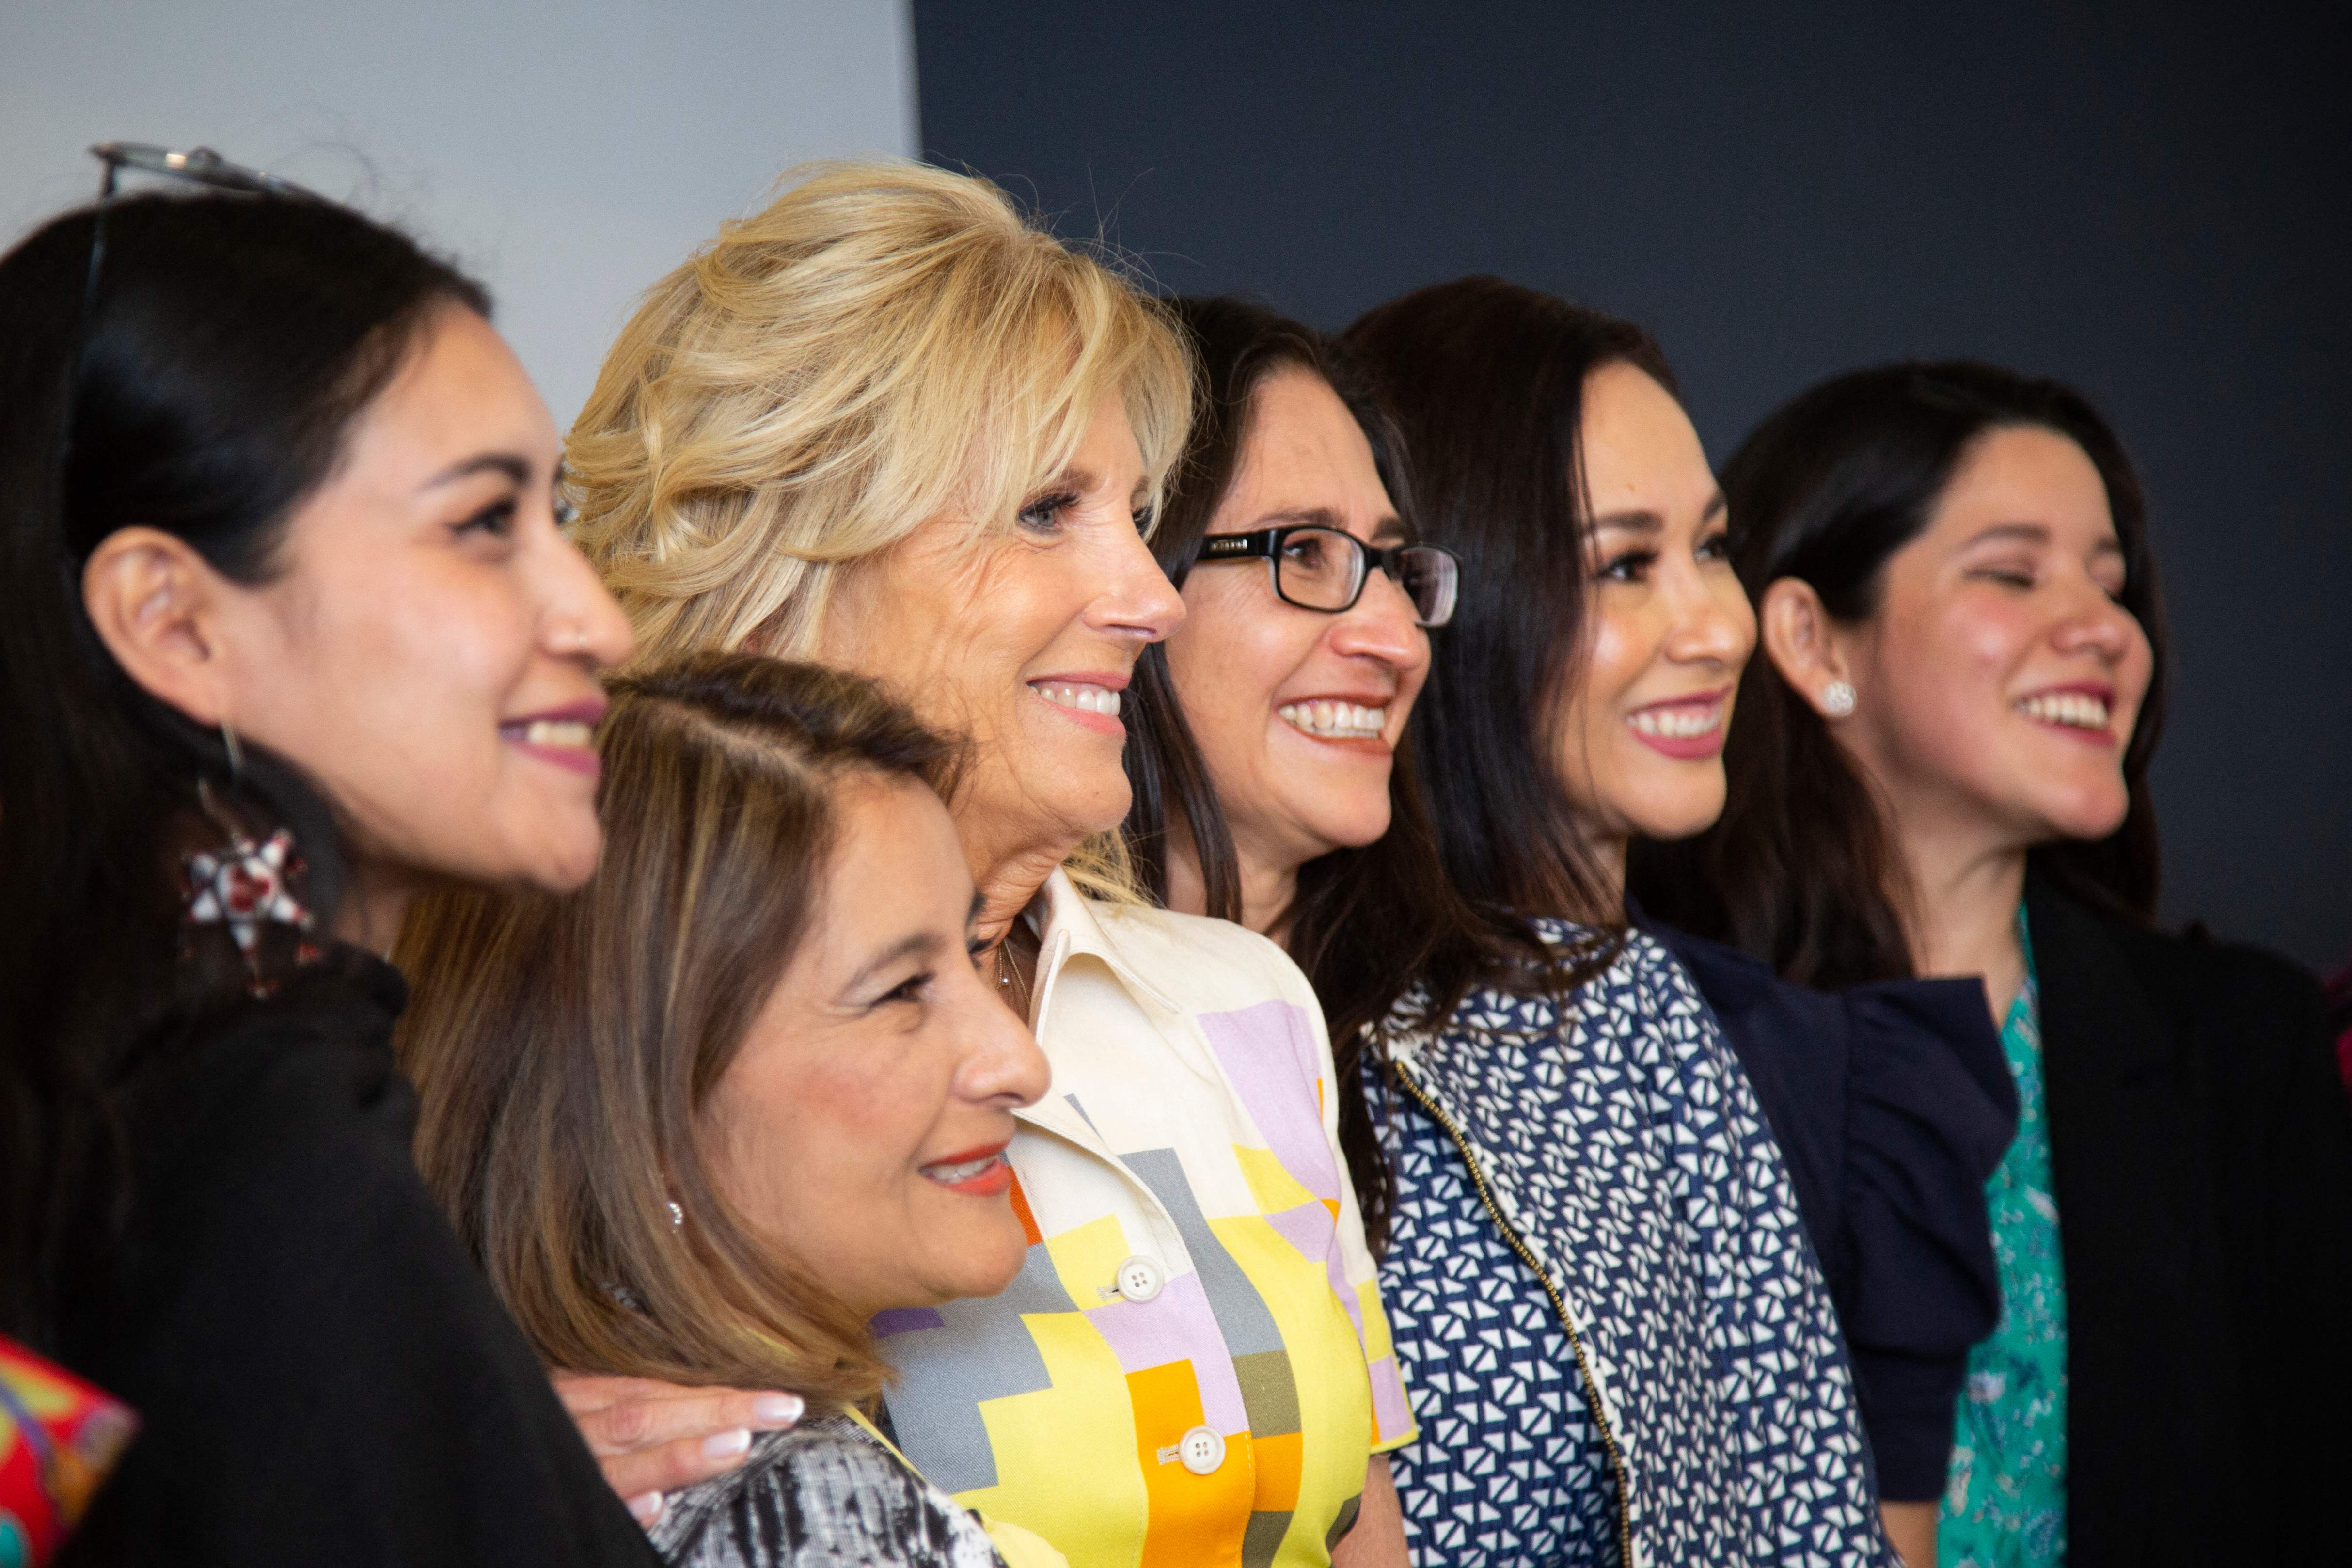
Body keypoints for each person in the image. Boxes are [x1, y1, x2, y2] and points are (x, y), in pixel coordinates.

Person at [556, 163, 1415, 1568]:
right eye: (1044, 511)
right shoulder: (591, 1040)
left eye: (1135, 514)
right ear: (781, 563)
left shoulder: (1242, 1007)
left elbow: (1357, 1540)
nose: (1147, 599)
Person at [1121, 291, 1901, 1567]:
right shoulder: (996, 1044)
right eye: (1302, 555)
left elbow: (1804, 1524)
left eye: (1386, 563)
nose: (1385, 633)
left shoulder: (1598, 1018)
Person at [0, 158, 661, 1563]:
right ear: (175, 623)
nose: (595, 618)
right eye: (484, 524)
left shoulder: (140, 1116)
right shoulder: (261, 1182)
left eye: (563, 523)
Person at [1632, 359, 2352, 1568]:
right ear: (1807, 637)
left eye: (2111, 586)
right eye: (2013, 574)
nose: (2105, 632)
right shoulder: (1661, 1040)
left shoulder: (2241, 1047)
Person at [398, 653, 1064, 1568]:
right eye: (901, 990)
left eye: (974, 950)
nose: (1020, 1062)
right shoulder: (812, 1516)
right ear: (639, 1113)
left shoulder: (459, 1472)